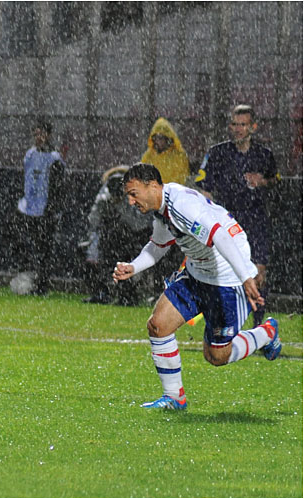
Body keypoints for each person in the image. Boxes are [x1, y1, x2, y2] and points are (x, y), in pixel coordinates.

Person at [112, 163, 282, 410]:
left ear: (152, 186)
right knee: (158, 326)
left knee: (216, 356)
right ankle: (174, 398)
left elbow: (220, 236)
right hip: (196, 273)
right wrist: (134, 267)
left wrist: (246, 276)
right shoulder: (162, 209)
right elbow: (159, 245)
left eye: (133, 193)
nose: (130, 201)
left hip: (226, 280)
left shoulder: (182, 205)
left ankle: (267, 333)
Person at [195, 104, 279, 326]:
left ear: (253, 127)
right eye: (234, 124)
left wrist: (262, 181)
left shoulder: (264, 155)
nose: (238, 129)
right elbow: (205, 188)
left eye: (243, 124)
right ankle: (226, 325)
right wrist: (208, 214)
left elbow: (274, 182)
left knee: (259, 274)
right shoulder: (217, 153)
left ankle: (259, 326)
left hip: (256, 220)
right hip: (227, 222)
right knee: (224, 274)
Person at [81, 166, 152, 305]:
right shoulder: (103, 198)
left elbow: (139, 224)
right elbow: (93, 219)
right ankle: (101, 293)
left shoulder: (134, 196)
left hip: (134, 236)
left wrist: (122, 209)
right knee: (96, 259)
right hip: (108, 237)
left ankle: (128, 295)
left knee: (124, 261)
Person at [16, 119, 66, 295]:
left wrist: (51, 209)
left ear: (48, 136)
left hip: (45, 211)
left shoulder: (54, 159)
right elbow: (25, 180)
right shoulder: (29, 155)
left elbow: (58, 187)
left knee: (44, 249)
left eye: (41, 134)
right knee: (29, 247)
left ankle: (42, 285)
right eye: (36, 134)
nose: (38, 138)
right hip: (29, 209)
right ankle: (28, 280)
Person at [140, 117, 190, 186]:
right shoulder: (148, 155)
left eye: (161, 138)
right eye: (156, 138)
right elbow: (142, 176)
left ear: (168, 139)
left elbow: (180, 179)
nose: (158, 141)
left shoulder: (179, 155)